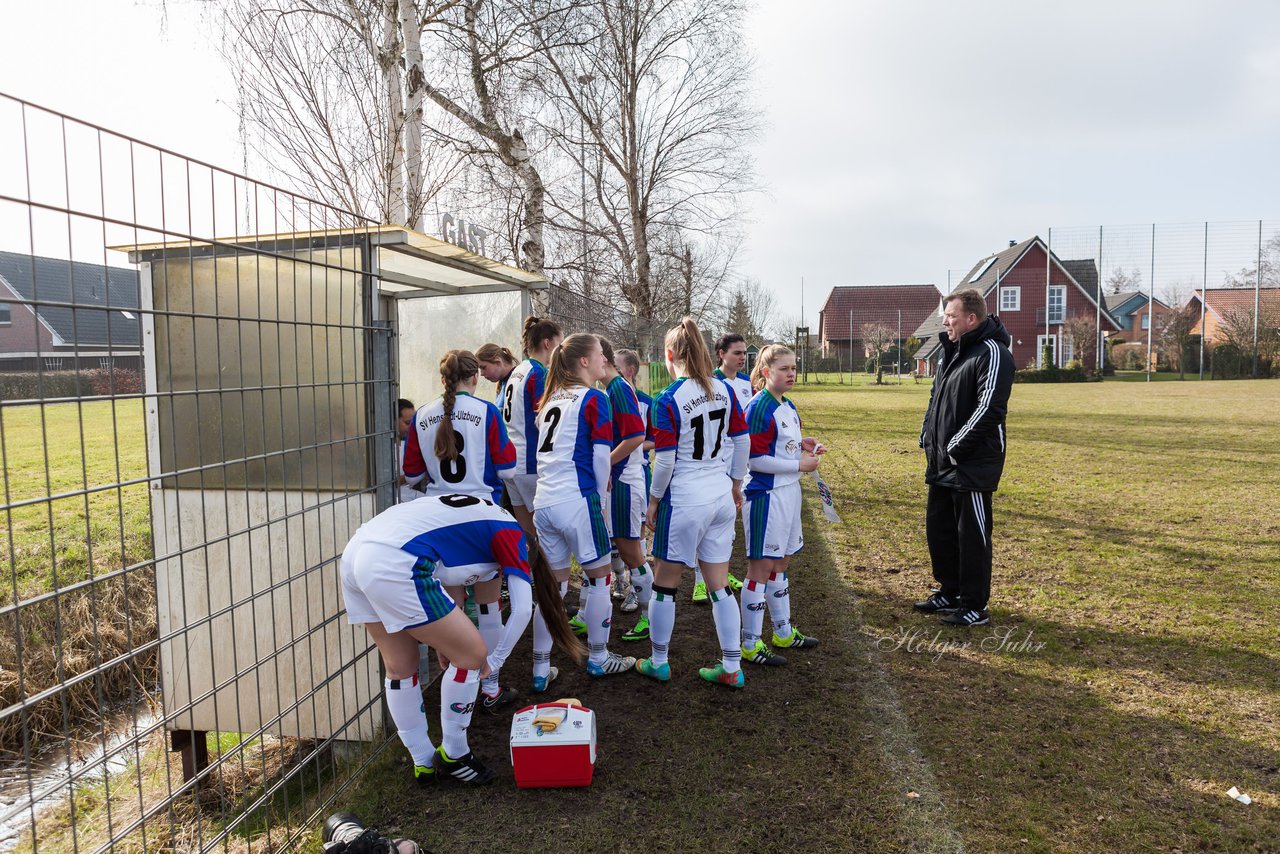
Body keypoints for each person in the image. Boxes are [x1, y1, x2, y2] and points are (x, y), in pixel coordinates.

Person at [339, 492, 582, 786]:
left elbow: (447, 590)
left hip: (357, 552)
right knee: (472, 656)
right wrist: (493, 661)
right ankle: (455, 753)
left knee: (400, 666)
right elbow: (520, 612)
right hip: (396, 558)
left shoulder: (486, 520)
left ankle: (424, 763)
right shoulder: (514, 535)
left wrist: (445, 642)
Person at [637, 318, 750, 688]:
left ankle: (657, 661)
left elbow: (666, 460)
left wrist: (653, 501)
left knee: (665, 584)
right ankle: (732, 666)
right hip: (719, 494)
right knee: (719, 585)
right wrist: (734, 484)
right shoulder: (724, 389)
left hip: (685, 499)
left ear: (669, 355)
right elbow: (742, 441)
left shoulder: (668, 398)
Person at [402, 350, 519, 709]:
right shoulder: (487, 412)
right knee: (488, 607)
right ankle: (490, 687)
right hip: (480, 518)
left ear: (443, 380)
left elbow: (411, 475)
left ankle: (458, 683)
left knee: (451, 610)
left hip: (439, 522)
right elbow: (509, 467)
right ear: (475, 377)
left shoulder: (421, 414)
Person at [532, 333, 637, 686]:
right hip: (577, 500)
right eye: (599, 356)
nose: (603, 361)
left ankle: (539, 668)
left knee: (553, 588)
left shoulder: (549, 401)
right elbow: (598, 459)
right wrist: (601, 503)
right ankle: (598, 656)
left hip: (543, 503)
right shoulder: (594, 398)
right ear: (583, 362)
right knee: (599, 579)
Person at [915, 288, 1014, 627]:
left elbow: (990, 409)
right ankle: (950, 591)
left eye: (951, 316)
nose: (945, 321)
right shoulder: (950, 352)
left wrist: (955, 447)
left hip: (971, 464)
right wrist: (928, 435)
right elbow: (935, 397)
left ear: (971, 319)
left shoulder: (993, 352)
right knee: (940, 530)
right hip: (940, 461)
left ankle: (974, 605)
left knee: (971, 535)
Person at [739, 344, 824, 665]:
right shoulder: (758, 408)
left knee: (782, 563)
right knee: (760, 569)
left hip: (789, 494)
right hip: (765, 497)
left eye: (794, 367)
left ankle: (783, 632)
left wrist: (804, 444)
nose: (792, 373)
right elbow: (755, 459)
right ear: (765, 373)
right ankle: (750, 643)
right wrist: (799, 465)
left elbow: (781, 444)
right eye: (784, 369)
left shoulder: (786, 405)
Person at [591, 339, 655, 643]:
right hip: (620, 482)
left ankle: (649, 616)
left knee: (632, 552)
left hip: (627, 483)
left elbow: (635, 436)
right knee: (622, 547)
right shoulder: (610, 389)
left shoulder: (617, 388)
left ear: (599, 358)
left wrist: (605, 465)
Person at [502, 317, 563, 535]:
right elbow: (543, 419)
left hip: (512, 460)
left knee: (527, 533)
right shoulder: (538, 373)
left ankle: (528, 570)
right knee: (546, 533)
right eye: (560, 343)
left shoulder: (518, 370)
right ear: (547, 343)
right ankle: (548, 570)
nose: (561, 349)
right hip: (530, 463)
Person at [614, 348, 654, 621]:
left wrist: (635, 444)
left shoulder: (646, 402)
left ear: (629, 370)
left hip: (635, 473)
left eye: (614, 365)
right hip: (615, 474)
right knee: (613, 539)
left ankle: (635, 590)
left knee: (634, 537)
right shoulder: (607, 396)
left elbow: (653, 439)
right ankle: (619, 579)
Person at [396, 398, 421, 503]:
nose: (411, 427)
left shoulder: (408, 442)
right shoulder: (385, 448)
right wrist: (412, 475)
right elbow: (386, 482)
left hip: (408, 493)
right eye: (407, 423)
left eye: (413, 423)